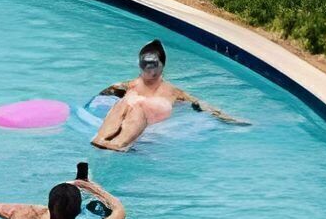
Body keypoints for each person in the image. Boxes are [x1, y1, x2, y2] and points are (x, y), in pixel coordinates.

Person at [91, 38, 247, 151]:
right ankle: (101, 138)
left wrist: (231, 120)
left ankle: (118, 144)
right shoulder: (130, 84)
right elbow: (108, 92)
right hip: (127, 117)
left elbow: (202, 105)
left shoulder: (173, 91)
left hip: (144, 122)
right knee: (124, 103)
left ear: (162, 66)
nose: (149, 68)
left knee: (139, 108)